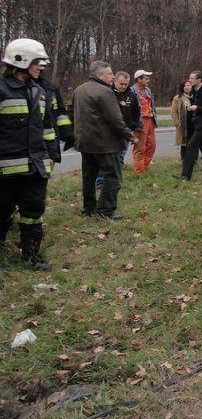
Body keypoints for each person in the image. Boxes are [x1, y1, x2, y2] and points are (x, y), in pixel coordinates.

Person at [0, 38, 58, 270]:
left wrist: (51, 154)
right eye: (37, 62)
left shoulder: (39, 91)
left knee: (33, 212)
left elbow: (47, 127)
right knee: (2, 212)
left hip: (35, 167)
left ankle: (31, 254)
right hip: (5, 170)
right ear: (20, 61)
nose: (40, 67)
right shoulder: (1, 90)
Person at [73, 61, 136, 220]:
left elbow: (71, 113)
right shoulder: (105, 92)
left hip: (85, 143)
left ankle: (89, 209)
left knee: (89, 177)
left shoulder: (79, 90)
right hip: (105, 145)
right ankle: (105, 212)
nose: (113, 76)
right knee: (113, 176)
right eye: (110, 73)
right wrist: (130, 136)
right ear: (100, 75)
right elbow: (116, 120)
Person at [179, 70, 202, 181]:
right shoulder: (195, 92)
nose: (190, 80)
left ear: (199, 80)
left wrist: (197, 108)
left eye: (192, 78)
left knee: (190, 146)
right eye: (189, 78)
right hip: (197, 123)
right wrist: (191, 108)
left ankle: (185, 175)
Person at [131, 69, 157, 173]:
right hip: (140, 121)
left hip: (150, 119)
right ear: (139, 79)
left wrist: (154, 120)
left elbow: (152, 105)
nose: (148, 80)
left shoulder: (148, 90)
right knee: (139, 147)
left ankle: (145, 167)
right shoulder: (132, 91)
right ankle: (139, 171)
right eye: (146, 78)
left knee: (151, 145)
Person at [170, 80, 192, 162]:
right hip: (183, 125)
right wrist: (177, 123)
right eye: (185, 86)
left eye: (188, 85)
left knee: (192, 143)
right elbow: (173, 112)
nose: (187, 87)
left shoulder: (194, 97)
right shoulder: (177, 98)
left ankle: (192, 160)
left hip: (192, 124)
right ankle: (184, 160)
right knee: (184, 144)